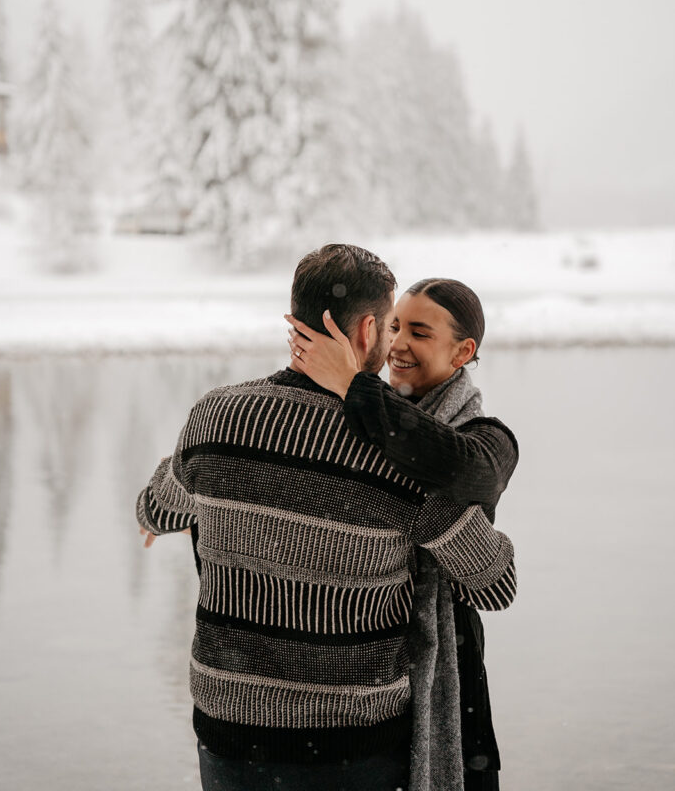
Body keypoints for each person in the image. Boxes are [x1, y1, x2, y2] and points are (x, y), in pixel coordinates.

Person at [137, 247, 516, 791]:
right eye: (391, 324)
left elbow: (156, 507)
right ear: (368, 330)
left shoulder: (213, 417)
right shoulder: (396, 457)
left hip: (229, 736)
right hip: (350, 745)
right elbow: (495, 584)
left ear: (296, 319)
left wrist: (190, 479)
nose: (396, 343)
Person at [286, 277, 518, 791]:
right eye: (394, 327)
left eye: (420, 332)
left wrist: (355, 386)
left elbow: (459, 470)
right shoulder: (361, 421)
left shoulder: (487, 439)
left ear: (463, 352)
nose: (398, 344)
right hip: (368, 685)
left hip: (449, 674)